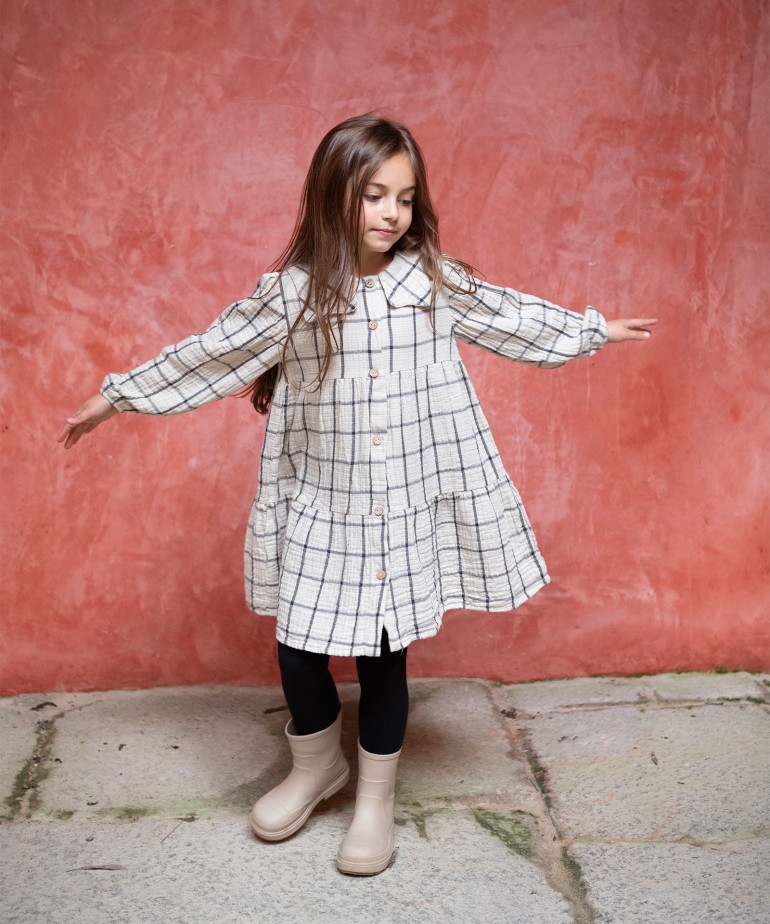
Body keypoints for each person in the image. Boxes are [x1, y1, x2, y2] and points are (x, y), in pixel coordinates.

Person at [58, 113, 657, 876]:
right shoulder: (293, 295)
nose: (390, 214)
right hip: (322, 500)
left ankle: (374, 796)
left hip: (403, 502)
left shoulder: (431, 282)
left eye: (404, 199)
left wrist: (590, 329)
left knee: (383, 655)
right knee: (299, 649)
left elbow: (509, 314)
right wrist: (118, 396)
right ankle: (316, 766)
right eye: (373, 195)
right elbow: (212, 351)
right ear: (331, 195)